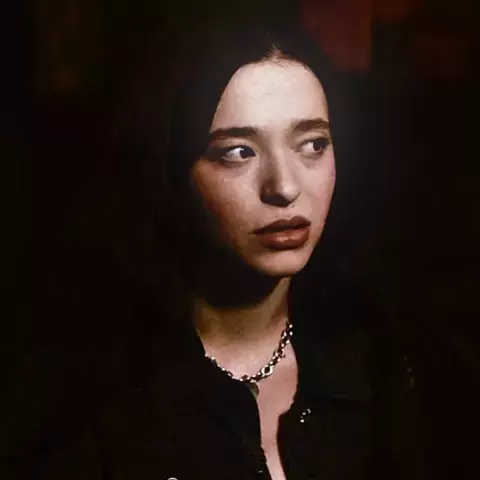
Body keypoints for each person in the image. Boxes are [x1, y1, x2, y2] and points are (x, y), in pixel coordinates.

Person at [2, 12, 428, 480]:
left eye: (312, 144)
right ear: (171, 170)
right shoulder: (89, 396)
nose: (284, 187)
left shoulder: (391, 363)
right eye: (238, 152)